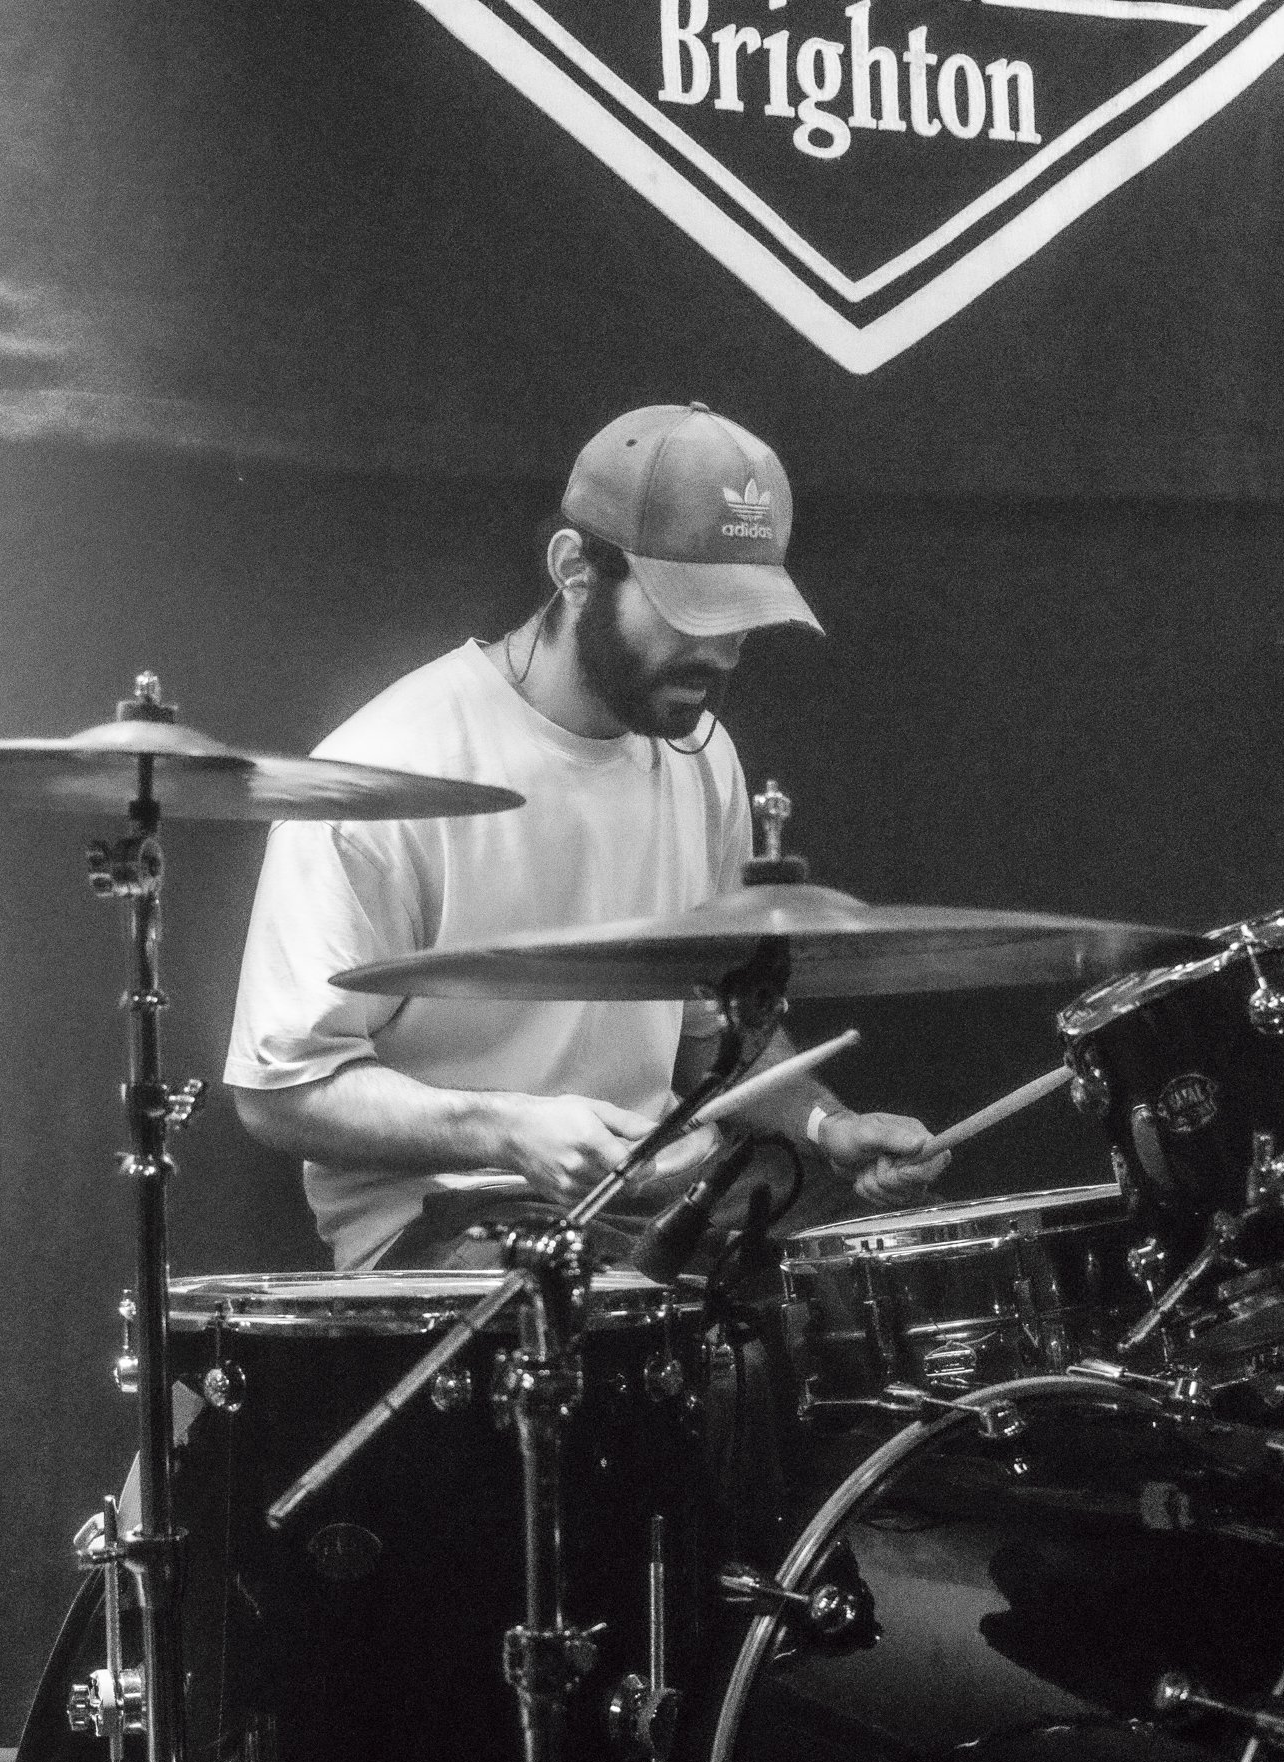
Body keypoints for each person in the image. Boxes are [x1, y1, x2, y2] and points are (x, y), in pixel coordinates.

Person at [225, 401, 948, 1269]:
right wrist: (509, 1129)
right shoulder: (387, 768)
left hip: (660, 1200)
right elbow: (279, 1095)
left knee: (880, 1275)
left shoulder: (701, 754)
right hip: (454, 1222)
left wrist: (826, 1124)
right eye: (694, 611)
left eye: (743, 619)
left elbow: (708, 1030)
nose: (724, 653)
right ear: (574, 569)